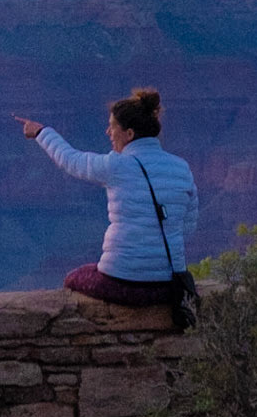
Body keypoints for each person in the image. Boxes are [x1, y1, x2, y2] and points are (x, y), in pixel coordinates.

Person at [14, 87, 197, 305]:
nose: (107, 133)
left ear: (129, 134)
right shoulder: (181, 167)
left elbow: (71, 160)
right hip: (169, 284)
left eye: (112, 127)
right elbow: (188, 226)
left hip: (125, 281)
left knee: (75, 277)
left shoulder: (116, 166)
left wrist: (41, 132)